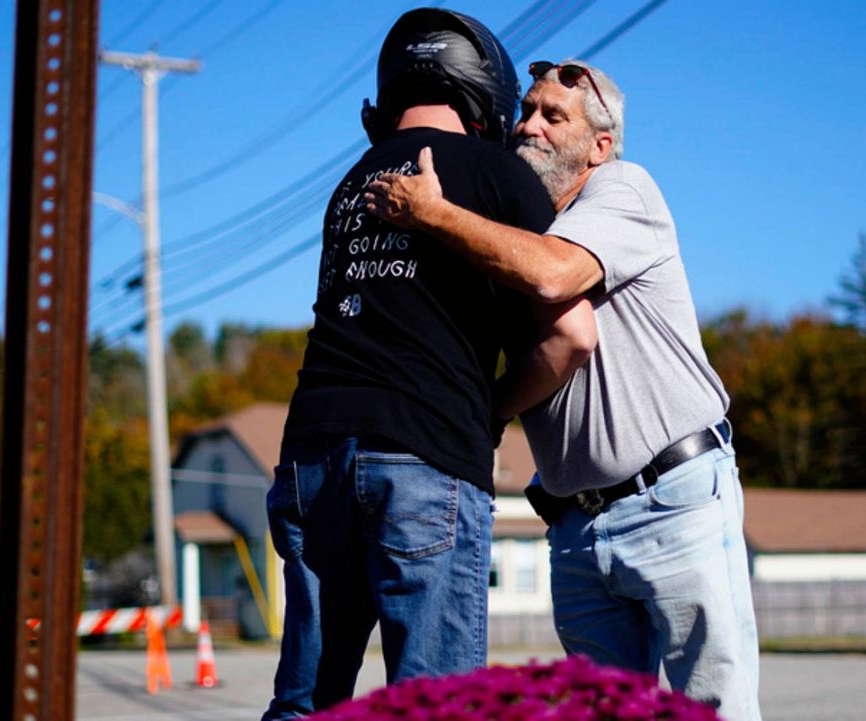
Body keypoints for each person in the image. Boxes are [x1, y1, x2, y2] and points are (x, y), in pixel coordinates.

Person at [365, 60, 763, 721]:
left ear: (599, 147)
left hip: (673, 500)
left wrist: (432, 213)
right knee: (601, 713)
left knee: (714, 708)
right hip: (576, 527)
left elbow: (555, 276)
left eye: (555, 116)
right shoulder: (511, 232)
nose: (529, 126)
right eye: (526, 111)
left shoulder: (623, 191)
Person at [263, 13, 595, 720]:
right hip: (423, 454)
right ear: (487, 97)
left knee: (304, 704)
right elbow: (571, 334)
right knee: (435, 709)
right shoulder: (496, 171)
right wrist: (493, 411)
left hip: (311, 456)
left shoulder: (351, 182)